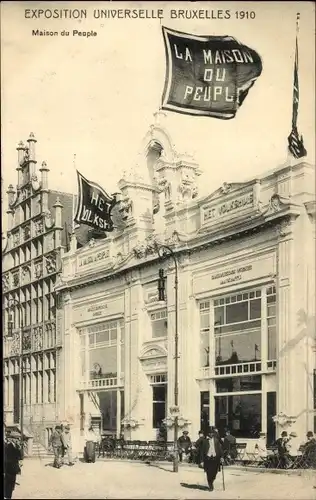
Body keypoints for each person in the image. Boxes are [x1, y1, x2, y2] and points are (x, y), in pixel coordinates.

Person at [201, 426, 224, 492]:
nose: (211, 434)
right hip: (208, 459)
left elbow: (220, 449)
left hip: (215, 458)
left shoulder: (216, 440)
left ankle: (211, 480)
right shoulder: (205, 441)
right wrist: (202, 461)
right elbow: (202, 451)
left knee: (214, 472)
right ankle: (210, 485)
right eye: (209, 433)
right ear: (208, 434)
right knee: (209, 473)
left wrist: (222, 457)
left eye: (212, 433)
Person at [4, 431, 23, 499]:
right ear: (12, 439)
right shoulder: (7, 446)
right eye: (17, 438)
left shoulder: (16, 446)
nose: (18, 440)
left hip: (13, 468)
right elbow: (6, 459)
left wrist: (19, 448)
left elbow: (20, 456)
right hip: (9, 468)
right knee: (8, 485)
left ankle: (8, 496)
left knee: (11, 484)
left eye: (18, 439)